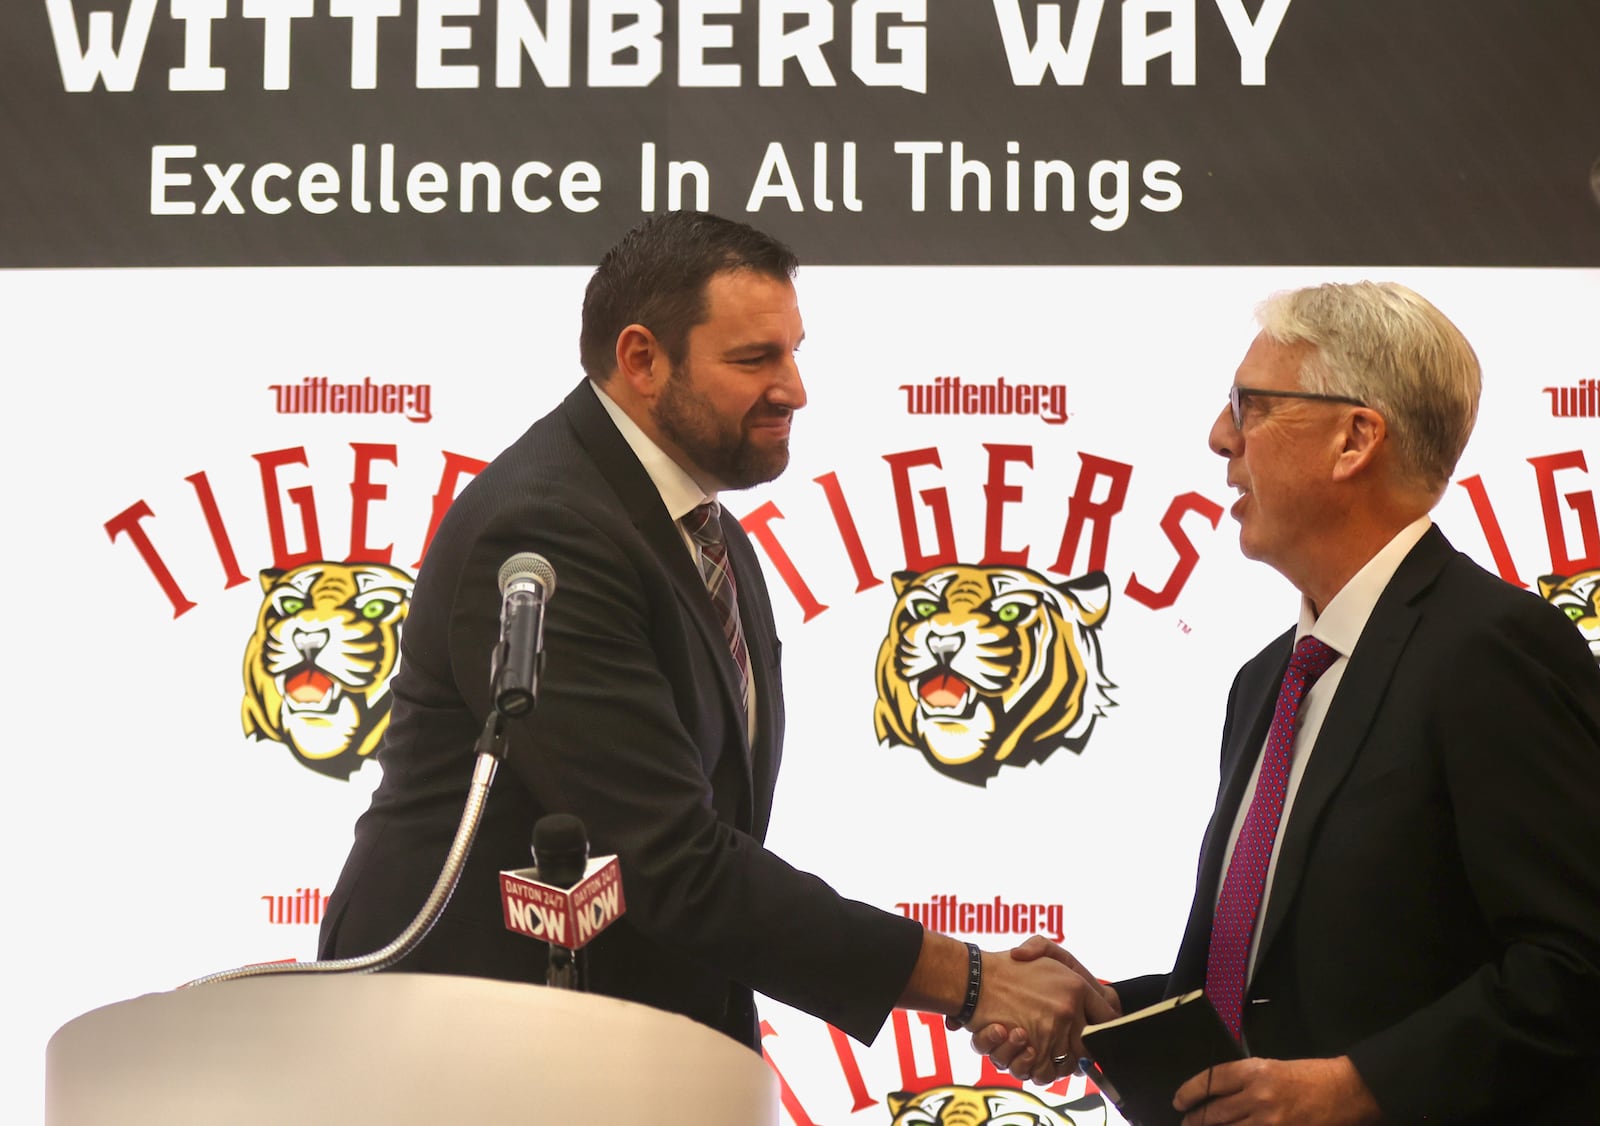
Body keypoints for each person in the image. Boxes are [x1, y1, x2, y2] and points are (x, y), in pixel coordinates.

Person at [318, 210, 1115, 1058]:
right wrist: (973, 979)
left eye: (794, 352)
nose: (794, 389)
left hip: (617, 1041)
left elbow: (710, 852)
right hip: (466, 1051)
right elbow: (674, 864)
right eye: (754, 359)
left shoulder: (704, 532)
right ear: (641, 360)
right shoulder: (549, 531)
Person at [977, 282, 1600, 1123]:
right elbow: (1258, 992)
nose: (1219, 435)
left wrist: (1357, 1087)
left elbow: (1575, 963)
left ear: (1355, 439)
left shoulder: (1492, 648)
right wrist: (1106, 1014)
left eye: (1251, 406)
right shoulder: (1269, 679)